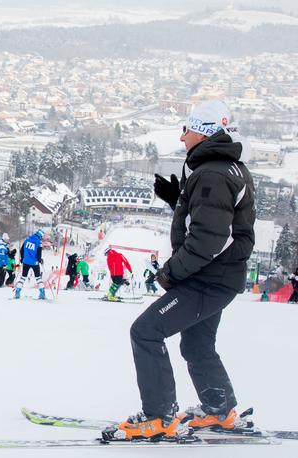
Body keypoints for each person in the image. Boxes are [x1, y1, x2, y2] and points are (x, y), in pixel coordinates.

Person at [104, 100, 256, 441]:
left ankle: (159, 417)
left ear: (202, 132)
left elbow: (208, 239)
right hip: (219, 277)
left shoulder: (213, 173)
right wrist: (179, 199)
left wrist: (170, 273)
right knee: (198, 343)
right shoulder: (222, 168)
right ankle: (219, 410)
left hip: (208, 279)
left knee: (145, 331)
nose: (182, 136)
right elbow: (213, 221)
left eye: (186, 129)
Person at [14, 229, 45, 300]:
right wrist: (40, 260)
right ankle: (42, 293)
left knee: (23, 277)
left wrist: (22, 259)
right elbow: (38, 254)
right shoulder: (39, 242)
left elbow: (21, 250)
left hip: (26, 262)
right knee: (38, 277)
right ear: (40, 236)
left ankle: (18, 291)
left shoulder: (27, 240)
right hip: (34, 263)